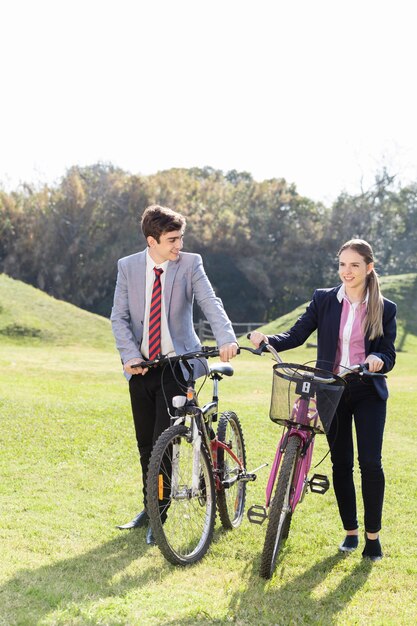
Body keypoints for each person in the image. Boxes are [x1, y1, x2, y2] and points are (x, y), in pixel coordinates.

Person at [250, 239, 396, 561]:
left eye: (354, 265)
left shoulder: (384, 308)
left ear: (368, 268)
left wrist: (377, 360)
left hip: (367, 390)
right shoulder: (325, 300)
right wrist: (268, 339)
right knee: (340, 462)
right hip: (330, 388)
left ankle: (373, 538)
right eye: (342, 264)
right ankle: (351, 533)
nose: (347, 271)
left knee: (369, 463)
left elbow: (388, 353)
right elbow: (296, 334)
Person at [111, 204, 238, 544]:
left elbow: (210, 301)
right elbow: (119, 317)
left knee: (161, 443)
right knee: (144, 445)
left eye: (180, 238)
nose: (178, 246)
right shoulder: (128, 267)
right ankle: (149, 506)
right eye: (171, 240)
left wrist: (226, 338)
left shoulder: (190, 264)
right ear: (152, 240)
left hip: (177, 365)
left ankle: (160, 512)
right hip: (141, 367)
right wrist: (128, 356)